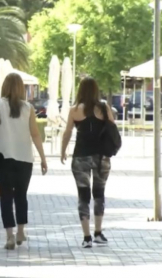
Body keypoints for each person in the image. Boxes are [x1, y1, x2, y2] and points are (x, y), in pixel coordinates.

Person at [0, 73, 47, 250]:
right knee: (21, 195)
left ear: (4, 86)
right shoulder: (28, 107)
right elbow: (35, 134)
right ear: (21, 88)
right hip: (25, 159)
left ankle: (9, 236)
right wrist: (43, 158)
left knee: (5, 197)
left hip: (4, 158)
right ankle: (21, 230)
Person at [60, 77, 114, 248]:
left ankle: (87, 237)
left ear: (80, 91)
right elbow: (113, 128)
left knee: (83, 195)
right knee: (99, 193)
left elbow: (68, 132)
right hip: (101, 157)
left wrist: (63, 151)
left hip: (81, 156)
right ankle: (98, 232)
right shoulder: (104, 108)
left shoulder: (74, 110)